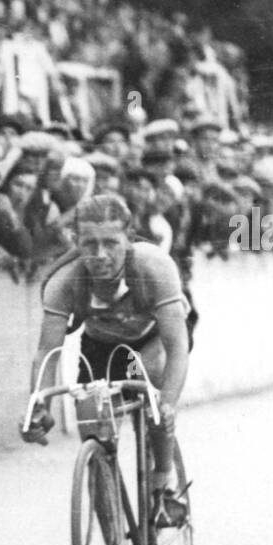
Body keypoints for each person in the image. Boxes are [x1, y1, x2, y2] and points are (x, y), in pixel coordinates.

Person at [22, 193, 191, 526]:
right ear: (76, 241)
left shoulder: (153, 266)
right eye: (89, 244)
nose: (100, 255)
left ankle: (165, 485)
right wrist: (37, 405)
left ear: (129, 240)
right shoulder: (64, 281)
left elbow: (177, 347)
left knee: (155, 400)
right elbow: (47, 353)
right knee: (93, 431)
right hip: (101, 346)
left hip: (153, 339)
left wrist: (167, 404)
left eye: (111, 243)